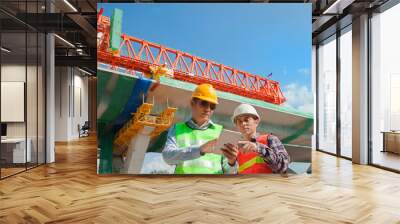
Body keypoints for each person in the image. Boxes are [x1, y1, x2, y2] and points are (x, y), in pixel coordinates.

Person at [162, 83, 236, 174]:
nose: (208, 109)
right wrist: (199, 150)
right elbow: (167, 157)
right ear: (192, 103)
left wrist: (232, 163)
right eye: (204, 103)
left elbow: (229, 171)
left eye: (212, 106)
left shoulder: (220, 131)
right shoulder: (177, 129)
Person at [221, 104, 290, 174]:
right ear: (236, 125)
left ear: (256, 122)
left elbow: (283, 166)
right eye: (239, 121)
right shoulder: (236, 151)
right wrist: (231, 163)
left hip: (268, 184)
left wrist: (259, 148)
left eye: (246, 120)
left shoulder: (270, 139)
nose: (243, 124)